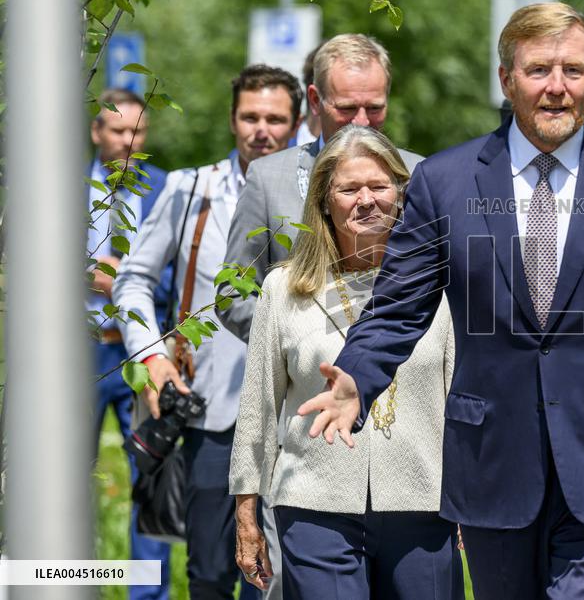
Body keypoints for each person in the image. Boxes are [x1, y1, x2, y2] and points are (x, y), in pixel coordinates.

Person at [299, 2, 584, 598]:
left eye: (573, 70)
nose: (557, 88)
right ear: (507, 79)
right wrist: (358, 378)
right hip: (493, 461)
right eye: (539, 70)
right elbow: (398, 306)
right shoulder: (446, 182)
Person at [229, 125, 463, 599]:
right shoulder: (284, 288)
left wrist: (472, 496)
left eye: (379, 186)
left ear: (402, 195)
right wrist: (246, 511)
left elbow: (461, 396)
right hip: (315, 504)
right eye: (349, 188)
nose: (366, 200)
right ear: (323, 200)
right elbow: (258, 408)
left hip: (423, 502)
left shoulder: (442, 285)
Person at [114, 64, 302, 599]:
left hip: (293, 414)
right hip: (211, 411)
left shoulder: (315, 192)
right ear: (232, 119)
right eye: (250, 116)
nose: (260, 129)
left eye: (274, 118)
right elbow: (133, 279)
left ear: (297, 122)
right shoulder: (190, 189)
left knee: (284, 579)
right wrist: (152, 358)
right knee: (212, 575)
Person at [219, 34, 422, 344]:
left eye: (375, 108)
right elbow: (234, 292)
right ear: (315, 100)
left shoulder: (420, 175)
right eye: (347, 108)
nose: (362, 122)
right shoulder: (268, 178)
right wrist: (295, 344)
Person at [88, 87, 172, 600]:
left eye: (136, 131)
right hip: (79, 351)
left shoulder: (167, 189)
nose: (127, 141)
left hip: (144, 351)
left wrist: (105, 273)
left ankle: (148, 594)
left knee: (151, 479)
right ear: (97, 131)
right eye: (117, 130)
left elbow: (170, 278)